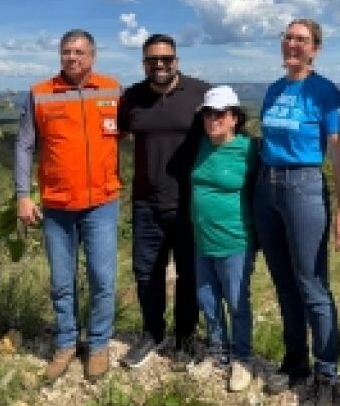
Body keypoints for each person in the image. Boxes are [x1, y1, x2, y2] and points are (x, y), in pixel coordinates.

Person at [254, 19, 340, 405]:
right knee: (283, 281)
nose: (292, 44)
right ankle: (295, 359)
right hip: (267, 187)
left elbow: (339, 152)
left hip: (303, 185)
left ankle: (326, 372)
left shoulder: (324, 91)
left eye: (301, 39)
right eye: (288, 37)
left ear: (315, 48)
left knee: (312, 285)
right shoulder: (274, 90)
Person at [14, 29, 121, 382]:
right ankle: (66, 342)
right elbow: (24, 145)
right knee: (62, 281)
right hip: (58, 204)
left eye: (79, 52)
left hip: (102, 202)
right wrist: (23, 194)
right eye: (66, 52)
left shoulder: (112, 89)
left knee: (102, 279)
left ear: (93, 54)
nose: (72, 57)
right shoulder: (41, 93)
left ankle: (99, 344)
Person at [118, 34, 210, 368]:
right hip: (146, 202)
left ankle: (185, 336)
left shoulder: (200, 93)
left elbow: (227, 136)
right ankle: (152, 333)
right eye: (152, 59)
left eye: (166, 59)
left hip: (189, 202)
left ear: (176, 60)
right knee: (146, 272)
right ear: (144, 63)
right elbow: (115, 137)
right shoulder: (131, 98)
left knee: (189, 273)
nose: (159, 64)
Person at [190, 85, 258, 392]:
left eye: (219, 114)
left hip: (235, 240)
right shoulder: (200, 144)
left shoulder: (249, 150)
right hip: (202, 239)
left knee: (236, 301)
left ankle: (242, 358)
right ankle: (217, 352)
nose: (212, 119)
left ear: (234, 118)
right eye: (207, 113)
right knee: (207, 299)